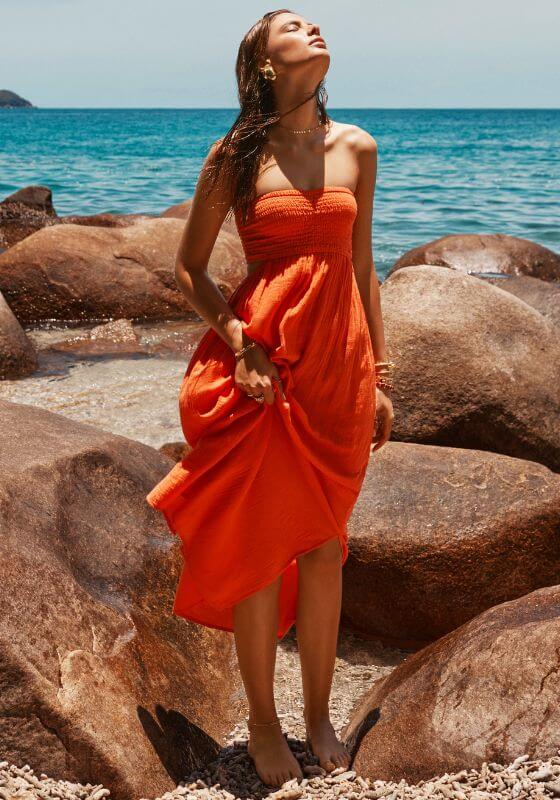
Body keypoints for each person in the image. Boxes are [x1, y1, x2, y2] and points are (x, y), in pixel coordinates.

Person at [146, 8, 394, 789]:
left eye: (315, 21)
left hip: (337, 372)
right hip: (263, 372)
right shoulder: (235, 154)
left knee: (324, 546)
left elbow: (362, 270)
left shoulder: (357, 147)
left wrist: (379, 375)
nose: (313, 27)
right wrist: (239, 340)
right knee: (259, 553)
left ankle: (318, 718)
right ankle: (261, 724)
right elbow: (190, 269)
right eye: (293, 23)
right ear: (262, 61)